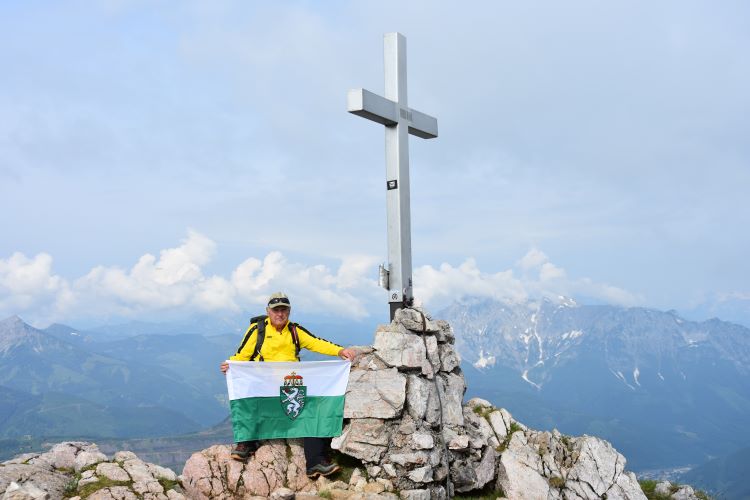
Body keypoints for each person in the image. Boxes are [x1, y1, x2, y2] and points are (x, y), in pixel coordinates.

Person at [220, 292, 357, 478]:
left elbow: (316, 343)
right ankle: (247, 443)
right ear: (268, 311)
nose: (280, 313)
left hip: (291, 384)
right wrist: (231, 364)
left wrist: (339, 350)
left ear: (289, 311)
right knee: (248, 399)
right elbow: (243, 354)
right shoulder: (257, 330)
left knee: (313, 411)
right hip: (265, 385)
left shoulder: (294, 330)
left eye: (283, 309)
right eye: (276, 310)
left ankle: (315, 462)